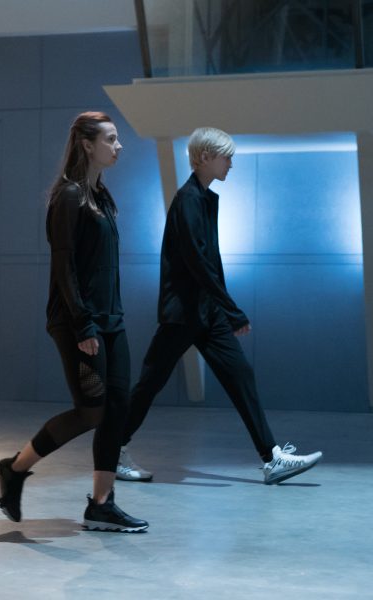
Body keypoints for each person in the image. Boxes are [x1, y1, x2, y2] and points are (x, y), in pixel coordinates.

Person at [116, 127, 322, 485]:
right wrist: (232, 309)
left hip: (205, 312)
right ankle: (111, 451)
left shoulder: (203, 198)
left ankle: (272, 458)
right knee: (150, 383)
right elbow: (198, 263)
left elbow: (210, 261)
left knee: (240, 375)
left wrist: (222, 308)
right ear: (205, 157)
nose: (231, 164)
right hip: (183, 314)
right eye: (227, 157)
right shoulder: (188, 200)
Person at [0, 112, 148, 532]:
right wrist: (83, 325)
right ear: (87, 144)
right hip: (78, 323)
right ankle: (13, 469)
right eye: (111, 139)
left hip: (111, 321)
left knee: (117, 409)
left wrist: (106, 320)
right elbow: (64, 267)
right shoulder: (69, 196)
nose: (119, 146)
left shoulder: (102, 196)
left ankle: (102, 504)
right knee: (90, 412)